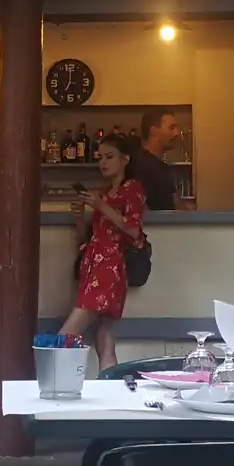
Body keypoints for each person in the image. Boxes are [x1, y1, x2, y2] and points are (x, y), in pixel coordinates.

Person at [60, 133, 146, 368]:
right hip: (94, 265)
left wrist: (100, 206)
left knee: (66, 334)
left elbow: (133, 229)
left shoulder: (133, 189)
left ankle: (57, 385)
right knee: (105, 336)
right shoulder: (105, 191)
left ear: (125, 159)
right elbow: (90, 236)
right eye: (100, 157)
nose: (103, 163)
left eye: (109, 157)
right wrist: (80, 217)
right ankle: (110, 387)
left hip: (110, 268)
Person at [128, 109, 180, 212]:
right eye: (171, 128)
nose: (176, 133)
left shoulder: (161, 167)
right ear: (153, 130)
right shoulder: (140, 164)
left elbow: (176, 203)